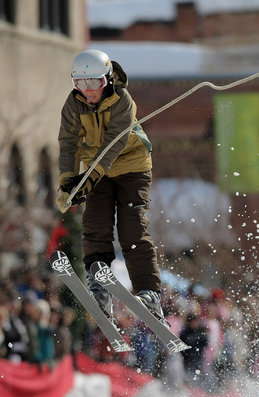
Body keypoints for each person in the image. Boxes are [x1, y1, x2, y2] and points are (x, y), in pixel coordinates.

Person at [57, 49, 165, 321]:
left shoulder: (122, 101)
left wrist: (86, 182)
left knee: (131, 230)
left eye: (94, 83)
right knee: (94, 224)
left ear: (107, 80)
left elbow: (112, 146)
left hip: (131, 167)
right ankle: (99, 281)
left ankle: (149, 291)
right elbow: (68, 145)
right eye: (80, 84)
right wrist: (68, 182)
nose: (87, 91)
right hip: (97, 170)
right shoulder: (74, 105)